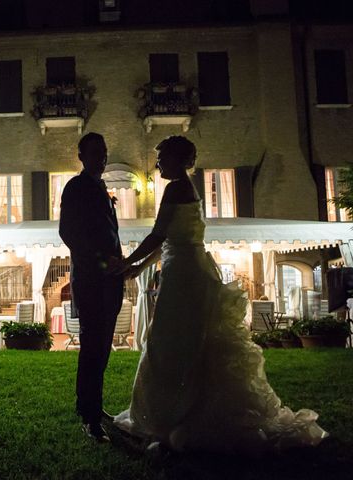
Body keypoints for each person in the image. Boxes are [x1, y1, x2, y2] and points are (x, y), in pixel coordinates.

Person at [110, 136, 328, 455]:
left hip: (183, 275)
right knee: (194, 340)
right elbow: (170, 239)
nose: (158, 165)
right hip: (190, 268)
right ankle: (195, 411)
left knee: (173, 342)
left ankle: (175, 415)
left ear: (178, 159)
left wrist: (126, 261)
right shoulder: (188, 189)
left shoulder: (176, 188)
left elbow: (158, 234)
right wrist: (139, 268)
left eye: (162, 158)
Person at [59, 132, 124, 443]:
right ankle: (89, 415)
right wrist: (102, 262)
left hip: (110, 280)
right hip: (91, 279)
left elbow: (112, 236)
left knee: (103, 346)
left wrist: (120, 265)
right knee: (92, 347)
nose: (102, 156)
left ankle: (94, 406)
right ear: (81, 156)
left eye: (104, 151)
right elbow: (69, 233)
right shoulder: (76, 187)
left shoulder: (101, 189)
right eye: (95, 152)